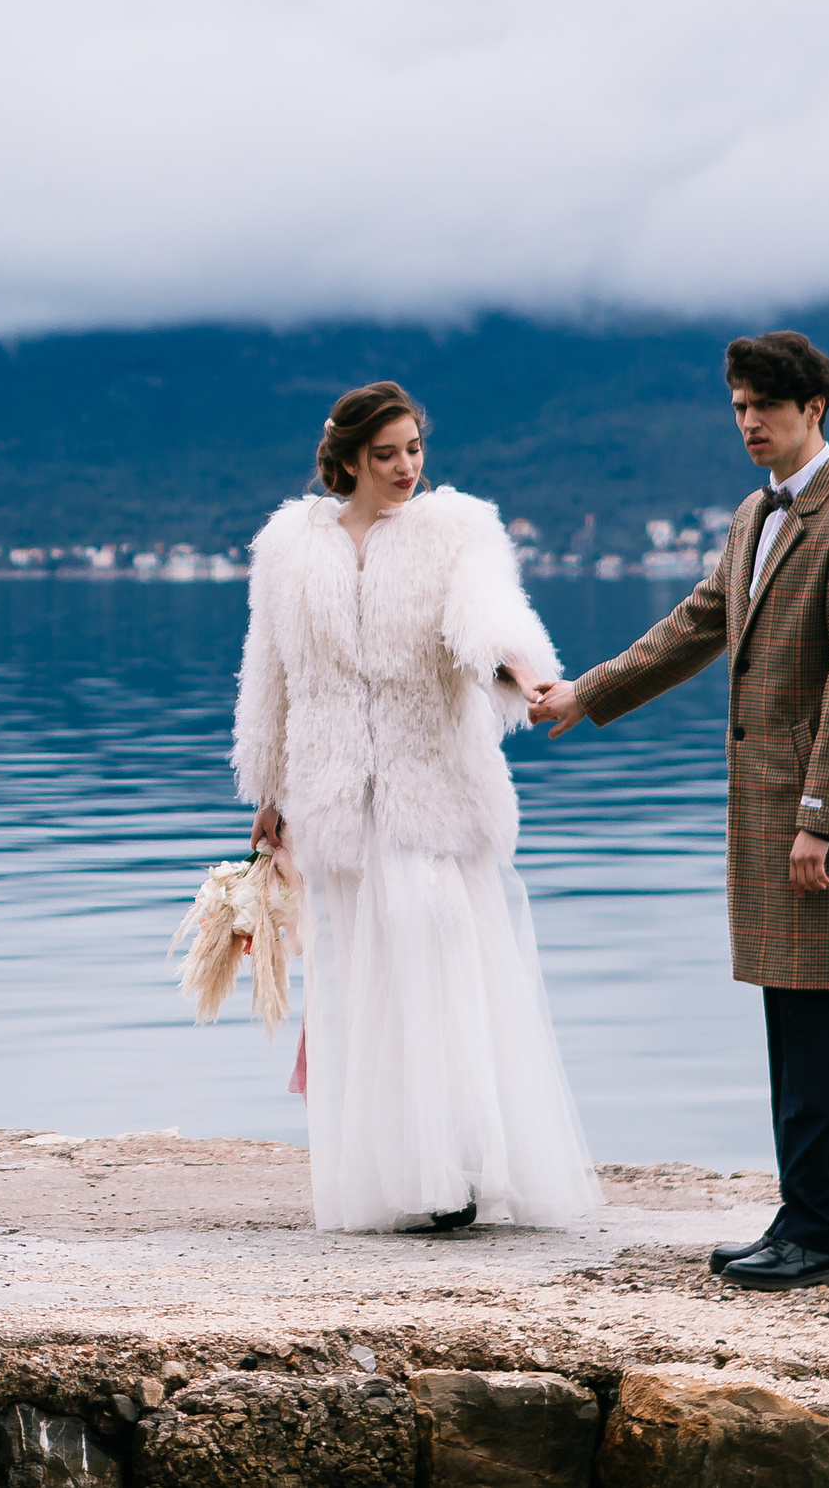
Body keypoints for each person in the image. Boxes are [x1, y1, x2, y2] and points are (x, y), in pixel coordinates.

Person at [532, 331, 829, 1291]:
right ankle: (815, 1211)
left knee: (816, 1020)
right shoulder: (756, 514)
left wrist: (821, 818)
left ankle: (816, 1230)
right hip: (767, 815)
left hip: (816, 821)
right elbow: (698, 622)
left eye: (765, 407)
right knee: (791, 1012)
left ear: (813, 409)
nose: (748, 422)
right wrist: (586, 693)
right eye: (738, 405)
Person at [234, 380, 603, 1233]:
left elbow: (485, 619)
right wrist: (270, 790)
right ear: (349, 459)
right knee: (368, 985)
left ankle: (462, 1170)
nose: (406, 468)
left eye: (414, 450)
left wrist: (524, 673)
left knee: (441, 964)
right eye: (387, 454)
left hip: (432, 789)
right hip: (333, 798)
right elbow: (270, 671)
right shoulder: (289, 546)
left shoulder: (454, 531)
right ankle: (398, 1173)